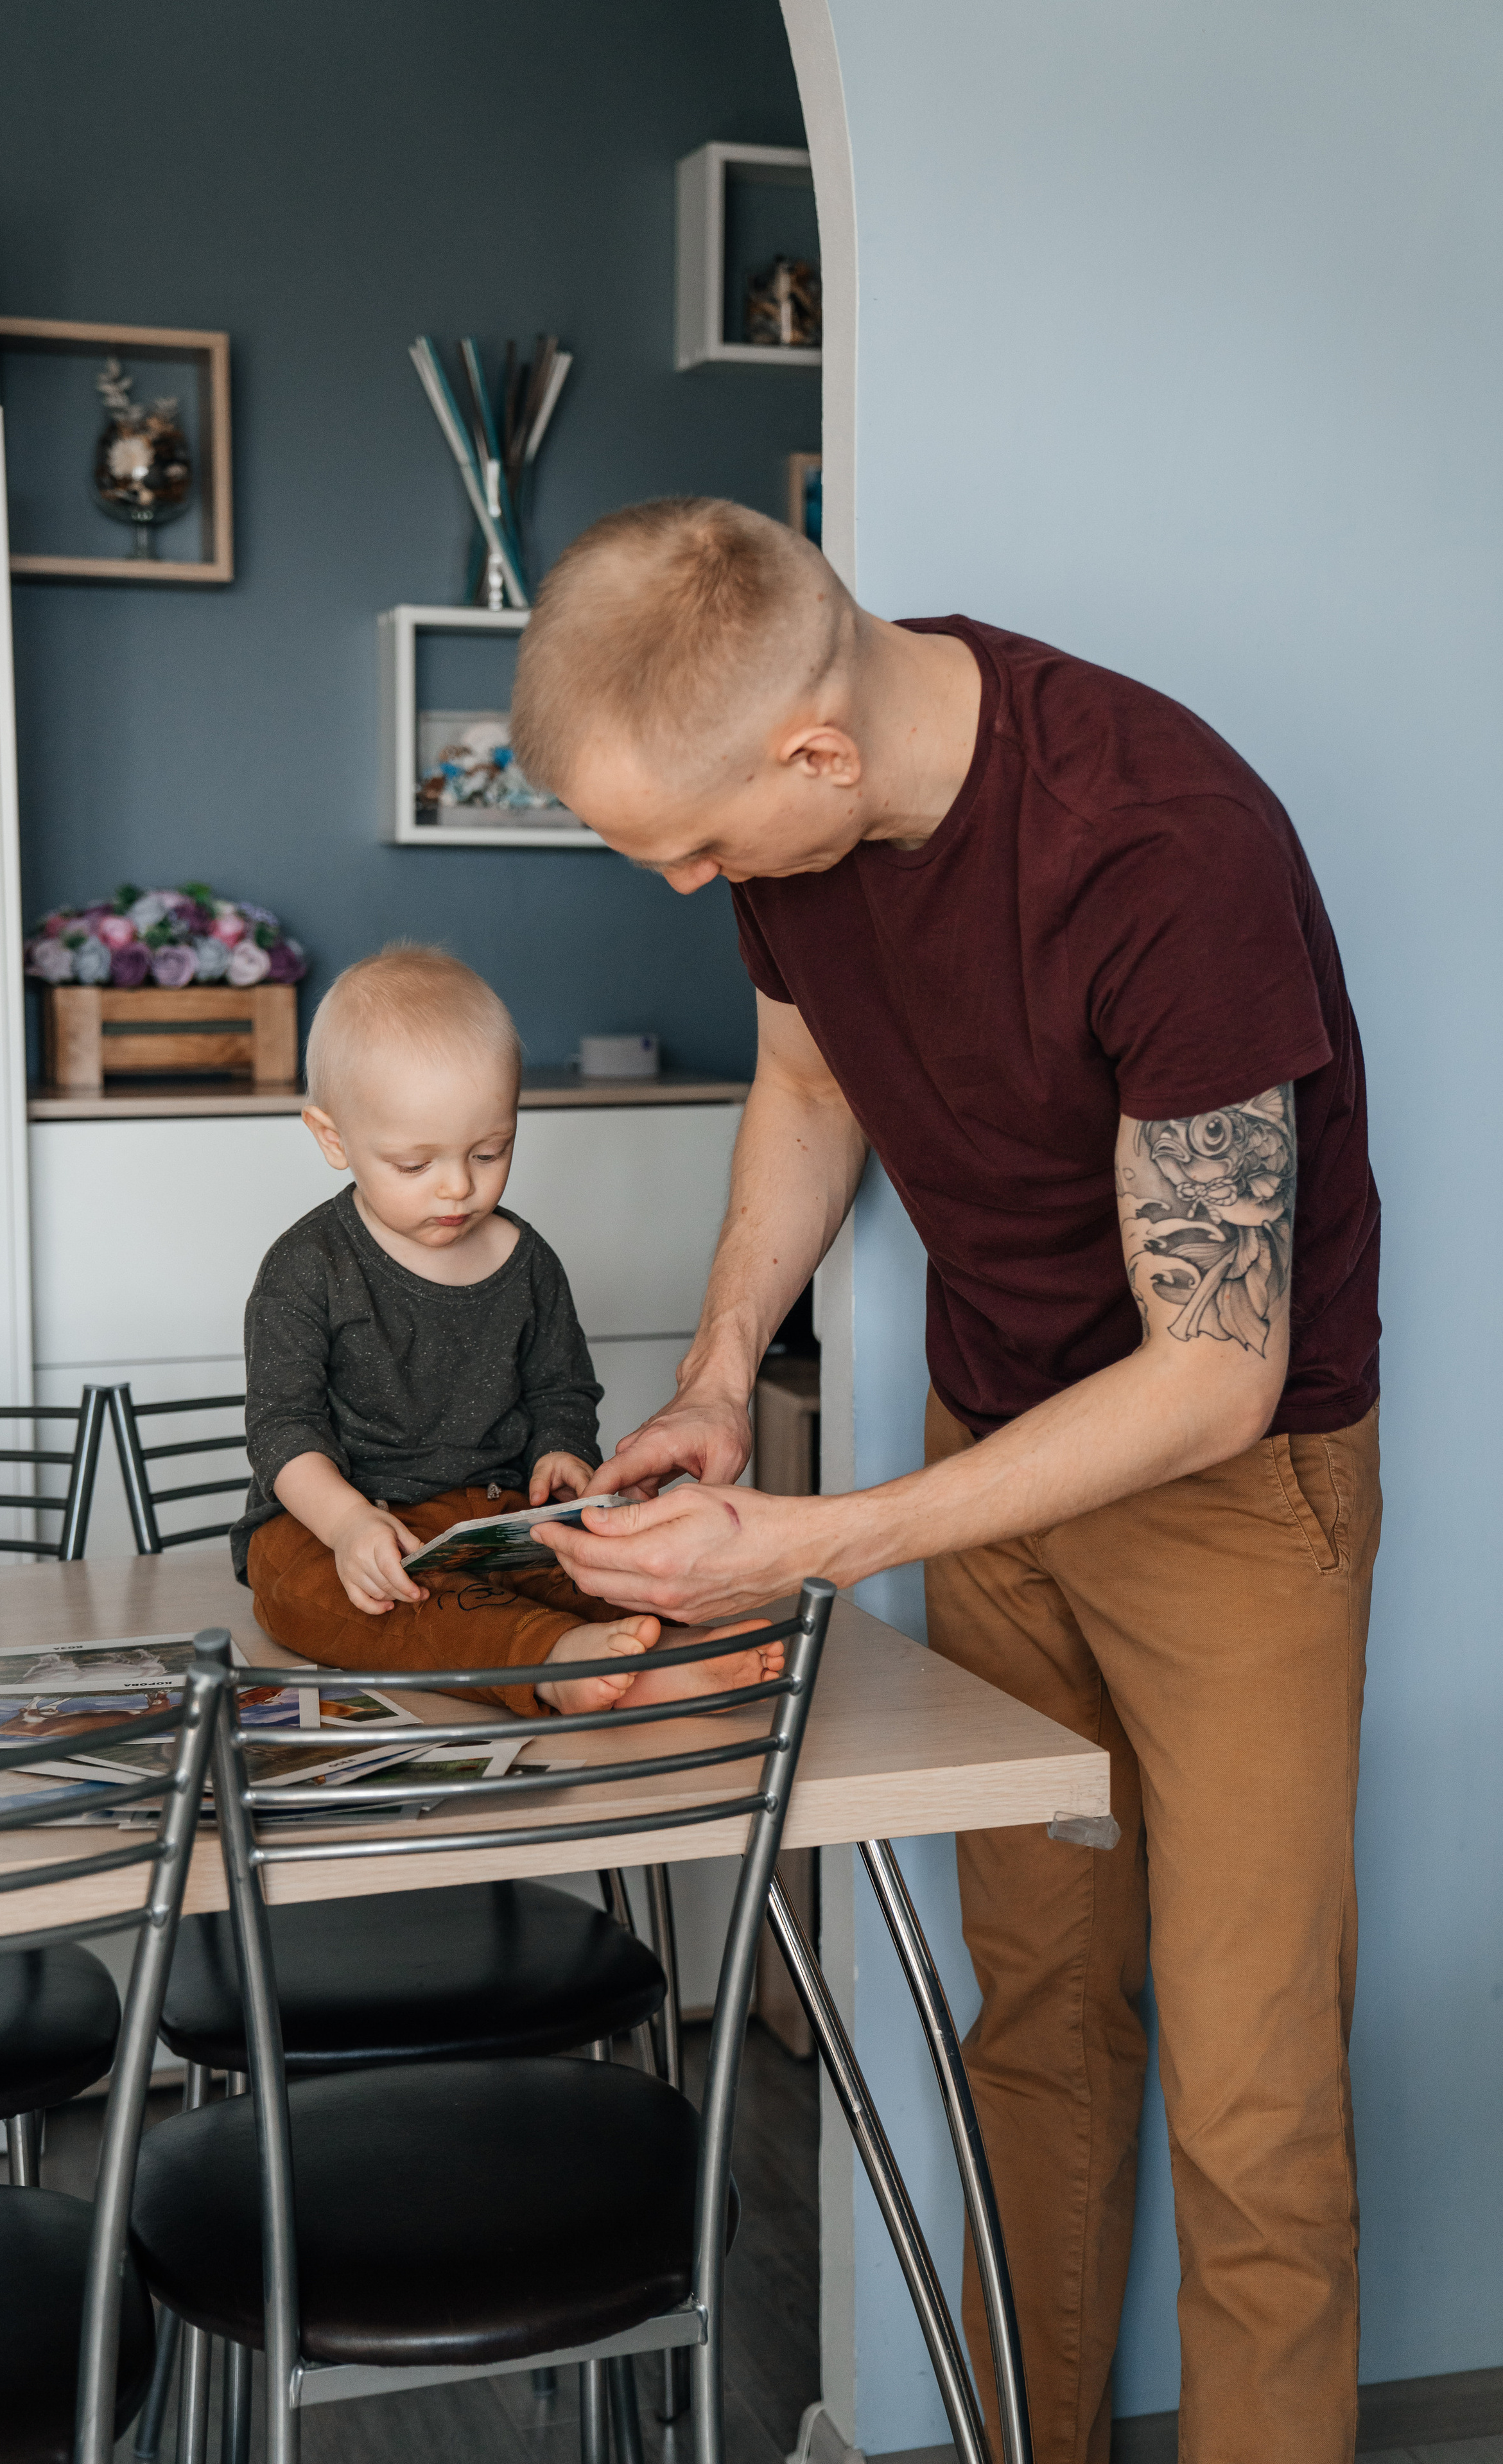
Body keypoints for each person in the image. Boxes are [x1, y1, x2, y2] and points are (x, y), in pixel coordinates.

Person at [508, 500, 1381, 2464]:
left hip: (1229, 1502)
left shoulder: (1162, 849)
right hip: (994, 1458)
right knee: (1034, 2034)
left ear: (815, 752)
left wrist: (819, 1543)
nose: (686, 887)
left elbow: (1213, 1376)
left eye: (701, 847)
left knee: (1252, 2100)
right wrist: (722, 1381)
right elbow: (810, 1086)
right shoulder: (797, 833)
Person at [232, 941, 779, 1717]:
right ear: (333, 1138)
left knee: (596, 1562)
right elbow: (282, 1428)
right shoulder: (305, 1267)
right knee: (345, 1597)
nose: (459, 1186)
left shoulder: (526, 1261)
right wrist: (350, 1521)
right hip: (331, 1521)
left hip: (495, 1516)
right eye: (415, 1165)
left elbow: (560, 1385)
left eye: (490, 1151)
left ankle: (663, 1648)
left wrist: (561, 1449)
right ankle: (552, 1662)